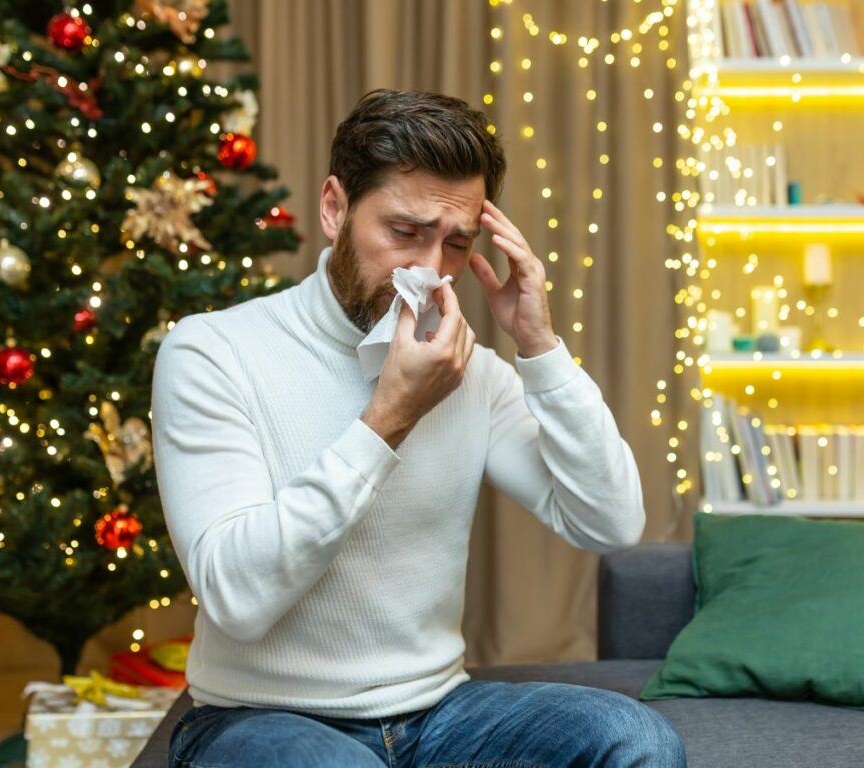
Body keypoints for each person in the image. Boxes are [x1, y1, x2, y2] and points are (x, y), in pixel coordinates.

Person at [151, 88, 686, 767]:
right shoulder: (213, 352)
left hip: (438, 715)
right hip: (258, 719)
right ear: (334, 208)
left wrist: (540, 348)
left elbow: (608, 523)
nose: (430, 271)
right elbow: (237, 599)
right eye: (404, 233)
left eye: (456, 244)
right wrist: (387, 420)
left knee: (636, 740)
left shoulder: (472, 372)